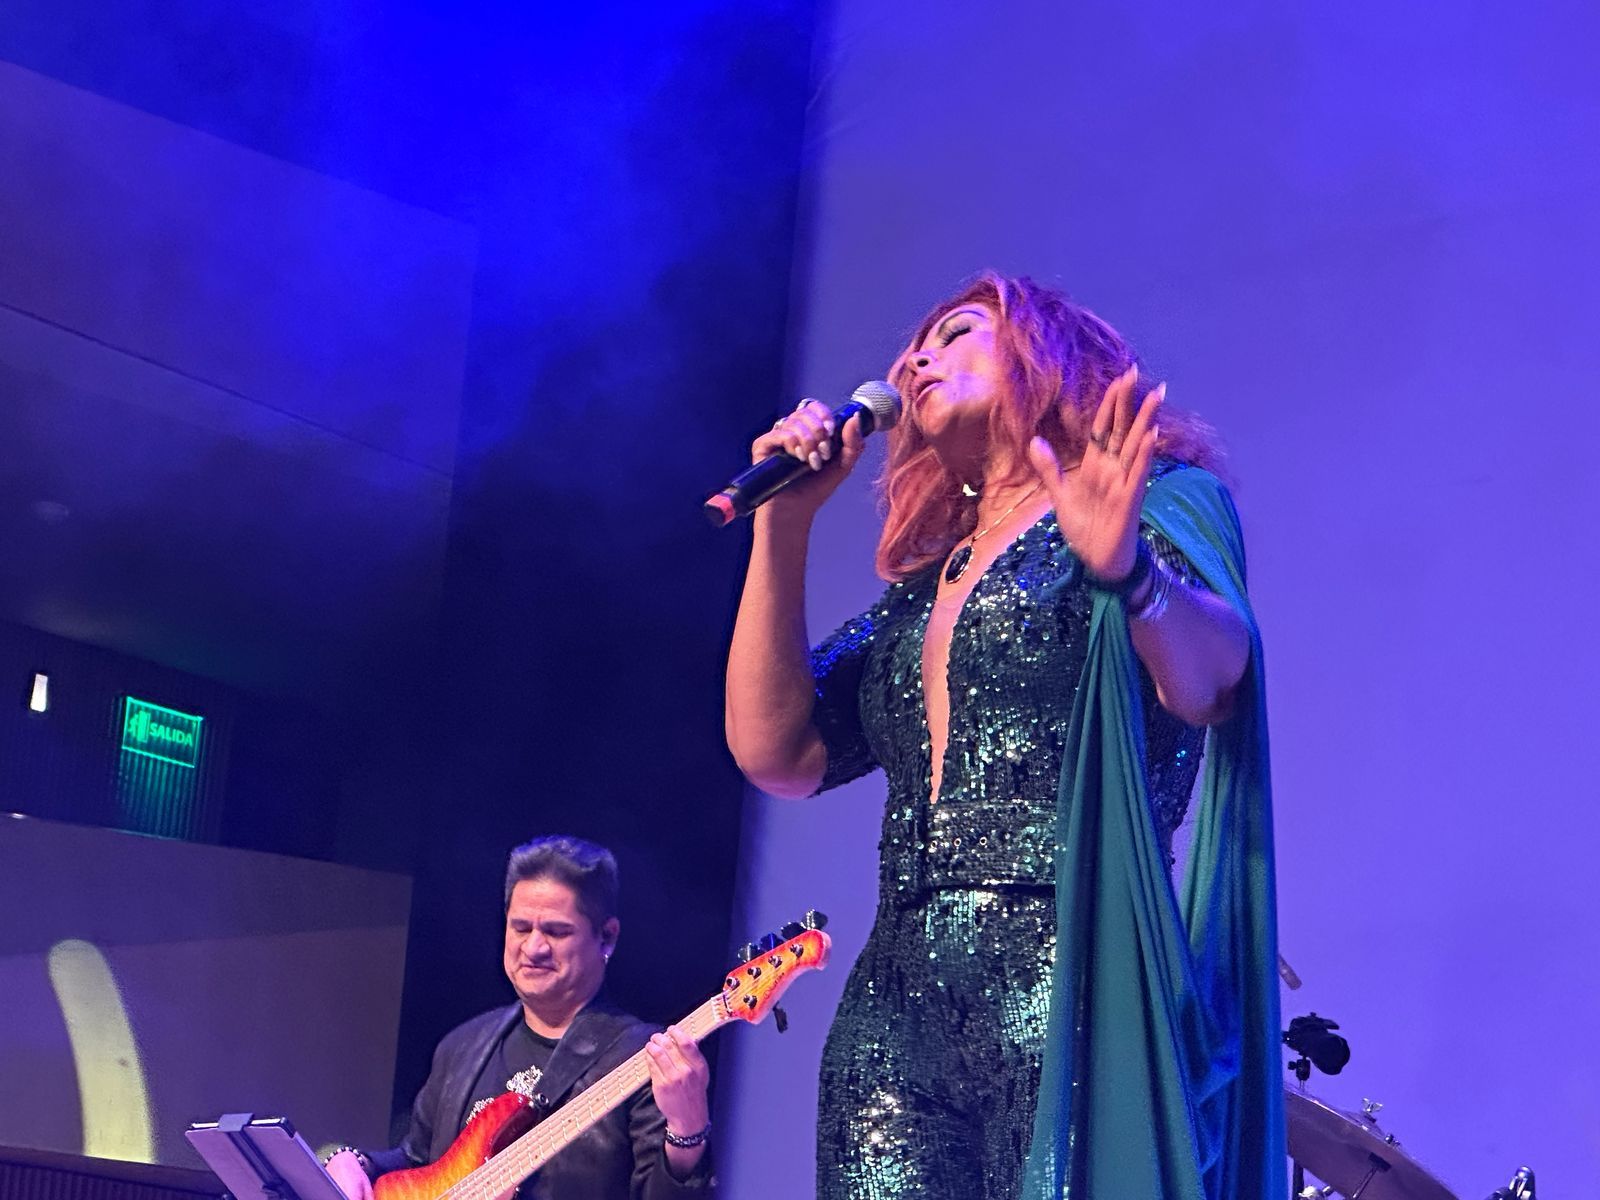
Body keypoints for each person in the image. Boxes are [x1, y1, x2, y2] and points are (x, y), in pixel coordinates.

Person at [724, 273, 1281, 1200]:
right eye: (913, 350)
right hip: (894, 1007)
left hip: (1072, 966)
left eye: (956, 333)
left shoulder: (1157, 502)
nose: (918, 360)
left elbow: (1217, 679)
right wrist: (782, 525)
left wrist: (1129, 574)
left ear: (1045, 358)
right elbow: (774, 751)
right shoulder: (919, 598)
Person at [324, 835, 715, 1200]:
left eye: (556, 931)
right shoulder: (462, 1047)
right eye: (521, 927)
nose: (534, 947)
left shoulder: (644, 1057)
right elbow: (417, 1164)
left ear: (607, 937)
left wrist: (688, 1133)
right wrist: (352, 1161)